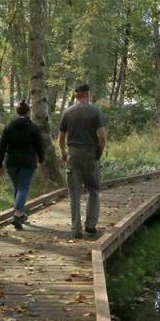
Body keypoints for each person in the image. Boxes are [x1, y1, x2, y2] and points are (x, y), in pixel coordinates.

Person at [58, 83, 107, 238]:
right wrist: (99, 152)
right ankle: (91, 225)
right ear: (88, 94)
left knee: (74, 193)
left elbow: (61, 137)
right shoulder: (95, 111)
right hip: (90, 153)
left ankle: (76, 228)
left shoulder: (67, 112)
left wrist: (63, 152)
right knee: (94, 190)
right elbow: (102, 136)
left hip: (73, 154)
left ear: (76, 95)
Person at [0, 100, 45, 230]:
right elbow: (40, 145)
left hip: (11, 162)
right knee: (23, 188)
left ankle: (21, 214)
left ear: (17, 112)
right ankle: (17, 215)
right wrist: (41, 159)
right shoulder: (33, 127)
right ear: (28, 112)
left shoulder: (9, 126)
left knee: (18, 188)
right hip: (28, 162)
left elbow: (2, 146)